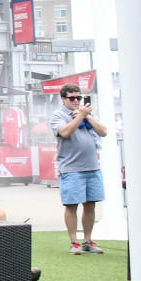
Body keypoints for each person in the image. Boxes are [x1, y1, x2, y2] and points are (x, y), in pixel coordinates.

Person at [47, 84, 108, 255]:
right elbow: (65, 133)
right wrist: (79, 116)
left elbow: (103, 132)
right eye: (72, 98)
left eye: (78, 97)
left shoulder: (87, 113)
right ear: (64, 99)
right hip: (71, 168)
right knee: (71, 205)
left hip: (93, 167)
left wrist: (86, 117)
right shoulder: (58, 115)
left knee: (90, 205)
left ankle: (87, 240)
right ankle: (74, 242)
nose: (76, 101)